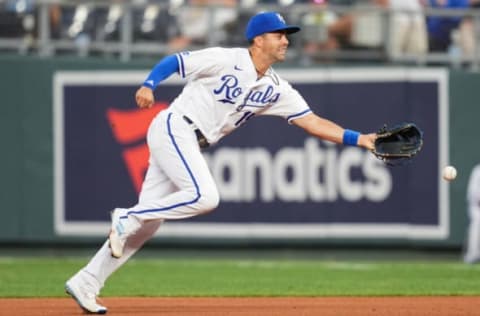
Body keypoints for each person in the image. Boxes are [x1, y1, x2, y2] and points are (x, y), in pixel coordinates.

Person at [64, 11, 377, 314]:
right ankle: (126, 216)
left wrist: (360, 139)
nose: (285, 41)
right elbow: (176, 60)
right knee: (204, 197)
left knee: (147, 226)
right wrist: (149, 83)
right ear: (257, 40)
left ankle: (87, 280)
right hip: (175, 126)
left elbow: (312, 122)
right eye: (278, 35)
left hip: (189, 141)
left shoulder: (276, 88)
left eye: (286, 36)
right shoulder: (229, 58)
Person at [464, 164, 480, 264]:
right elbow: (473, 194)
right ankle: (473, 254)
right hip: (476, 207)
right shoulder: (477, 171)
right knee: (478, 220)